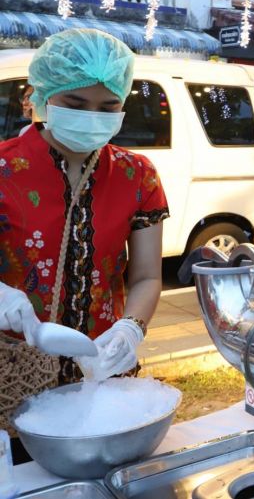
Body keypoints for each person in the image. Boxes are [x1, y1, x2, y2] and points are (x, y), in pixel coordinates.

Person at [0, 29, 168, 462]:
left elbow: (147, 274)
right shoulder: (3, 168)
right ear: (42, 97)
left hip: (104, 379)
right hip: (12, 376)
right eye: (75, 105)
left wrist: (132, 327)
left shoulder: (137, 175)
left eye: (108, 107)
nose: (92, 116)